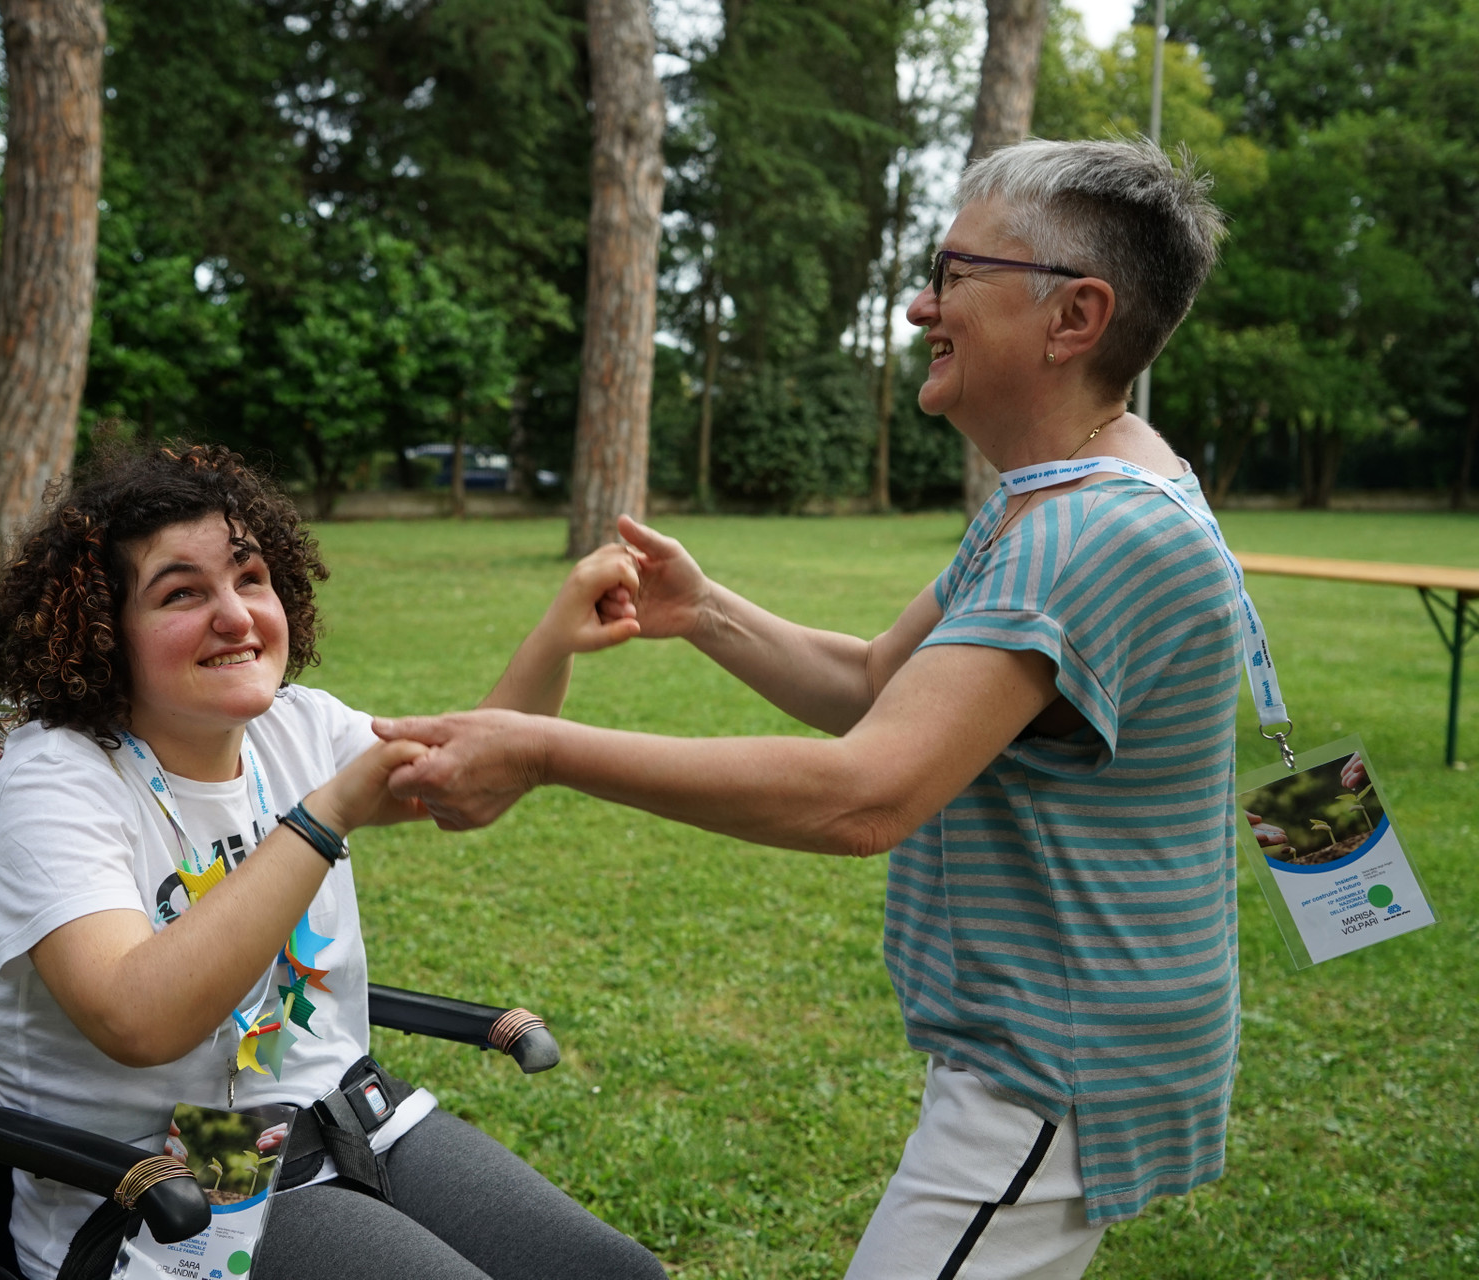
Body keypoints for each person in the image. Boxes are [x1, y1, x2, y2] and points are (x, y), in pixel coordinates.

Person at [378, 138, 1240, 1279]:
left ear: (1073, 316)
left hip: (1059, 1059)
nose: (921, 303)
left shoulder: (1085, 533)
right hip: (1056, 1037)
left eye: (955, 271)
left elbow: (865, 795)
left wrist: (540, 749)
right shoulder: (1067, 490)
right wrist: (707, 612)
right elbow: (884, 683)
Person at [0, 442, 665, 1280]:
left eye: (249, 578)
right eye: (182, 592)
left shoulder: (296, 726)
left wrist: (555, 638)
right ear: (102, 631)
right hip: (164, 1192)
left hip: (347, 1118)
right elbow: (136, 1018)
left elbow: (477, 777)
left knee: (614, 1273)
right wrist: (325, 814)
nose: (236, 616)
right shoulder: (52, 786)